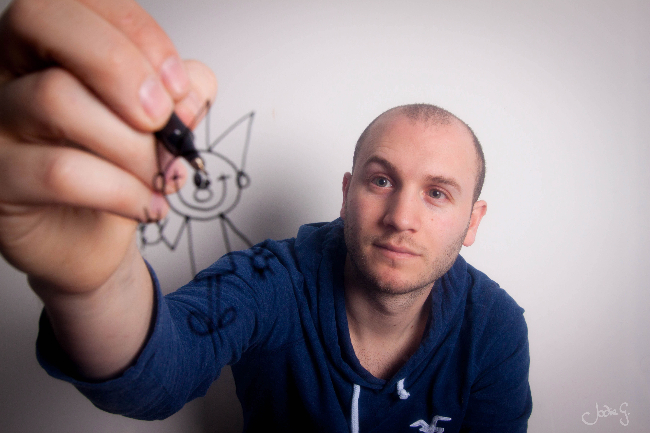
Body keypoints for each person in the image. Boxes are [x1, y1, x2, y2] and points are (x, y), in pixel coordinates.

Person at [0, 0, 532, 432]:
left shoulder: (494, 327)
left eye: (437, 193)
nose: (401, 217)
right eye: (381, 181)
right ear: (346, 194)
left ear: (473, 222)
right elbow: (158, 376)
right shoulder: (269, 282)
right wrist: (91, 286)